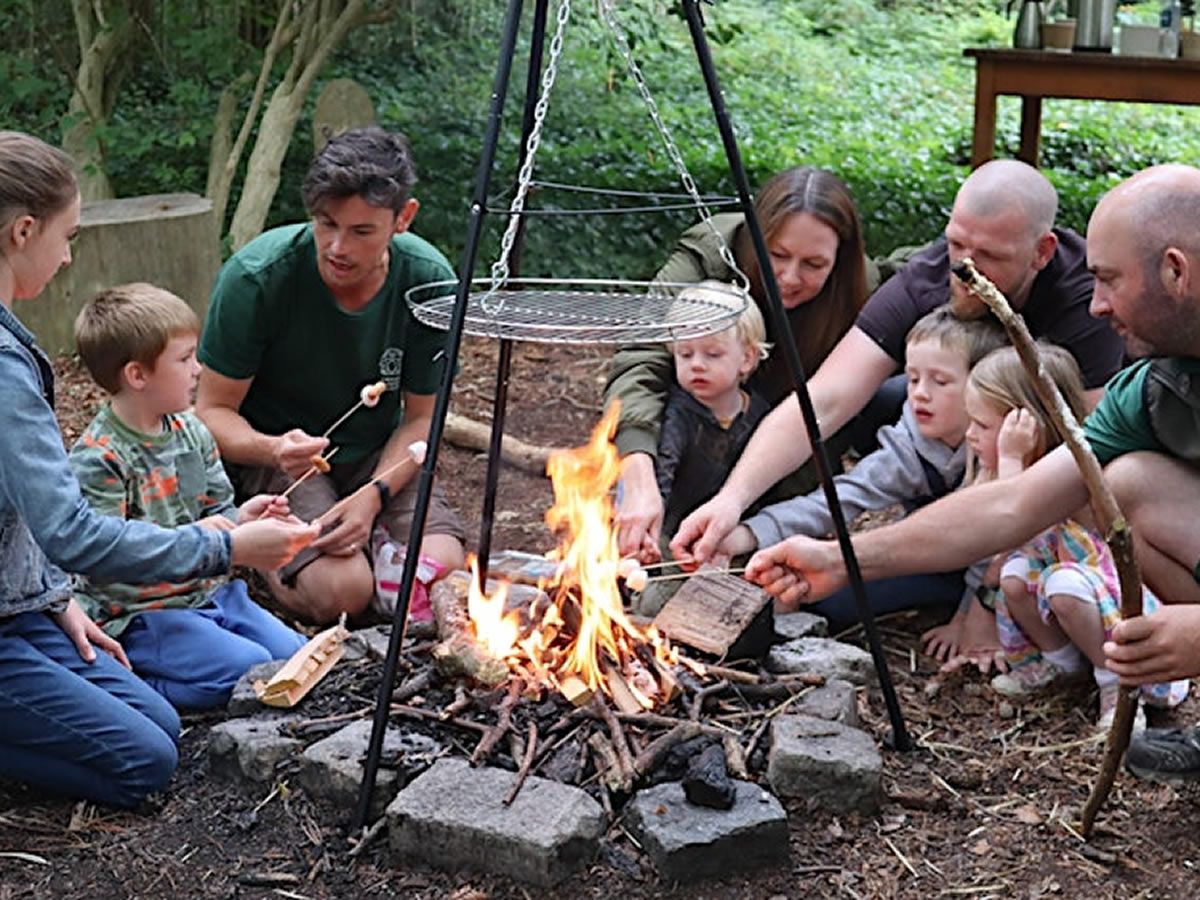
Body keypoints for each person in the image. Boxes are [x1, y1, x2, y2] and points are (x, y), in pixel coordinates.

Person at [741, 164, 1200, 785]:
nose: (1096, 305)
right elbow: (1014, 506)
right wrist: (840, 558)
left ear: (1176, 271)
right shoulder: (1151, 389)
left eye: (1110, 281)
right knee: (1127, 483)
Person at [0, 131, 315, 808]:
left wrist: (52, 602)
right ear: (23, 230)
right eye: (67, 235)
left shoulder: (15, 349)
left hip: (22, 611)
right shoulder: (4, 371)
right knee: (144, 762)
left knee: (164, 725)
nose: (66, 256)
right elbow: (75, 532)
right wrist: (226, 545)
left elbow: (27, 517)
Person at [673, 159, 1126, 569]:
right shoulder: (929, 277)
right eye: (956, 244)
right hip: (949, 456)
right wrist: (732, 502)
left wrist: (987, 597)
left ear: (1042, 252)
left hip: (1033, 476)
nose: (965, 268)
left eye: (989, 257)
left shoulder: (1086, 302)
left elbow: (1084, 460)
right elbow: (825, 400)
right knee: (880, 403)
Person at [197, 127, 466, 625]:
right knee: (344, 593)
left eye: (362, 231)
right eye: (326, 224)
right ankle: (275, 564)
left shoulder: (428, 282)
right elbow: (211, 412)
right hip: (281, 456)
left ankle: (374, 543)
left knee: (443, 570)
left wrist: (373, 496)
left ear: (402, 219)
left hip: (376, 457)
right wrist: (273, 449)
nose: (338, 247)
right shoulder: (258, 277)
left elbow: (421, 419)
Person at [604, 166, 872, 563]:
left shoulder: (856, 289)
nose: (790, 277)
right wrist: (639, 472)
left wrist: (766, 521)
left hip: (783, 466)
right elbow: (642, 362)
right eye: (776, 256)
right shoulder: (708, 256)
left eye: (814, 265)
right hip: (688, 444)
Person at [69, 284, 308, 709]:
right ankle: (137, 687)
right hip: (142, 614)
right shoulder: (99, 457)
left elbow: (217, 511)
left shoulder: (192, 431)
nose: (198, 369)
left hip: (208, 595)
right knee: (249, 672)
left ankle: (207, 652)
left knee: (293, 656)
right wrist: (206, 536)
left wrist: (244, 519)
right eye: (184, 359)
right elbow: (104, 558)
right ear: (138, 375)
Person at [715, 307, 1006, 637]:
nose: (920, 393)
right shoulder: (909, 447)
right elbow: (840, 498)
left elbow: (998, 539)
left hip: (1003, 569)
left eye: (940, 381)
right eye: (912, 378)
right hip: (937, 554)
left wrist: (967, 621)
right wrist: (747, 534)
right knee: (828, 600)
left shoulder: (1002, 445)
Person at [964, 345, 1187, 729]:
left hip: (1109, 601)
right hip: (1068, 600)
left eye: (981, 425)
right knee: (1015, 576)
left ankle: (1115, 682)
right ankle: (1062, 665)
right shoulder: (999, 470)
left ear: (1026, 426)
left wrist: (1013, 462)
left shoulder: (1072, 475)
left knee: (1060, 583)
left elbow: (1017, 528)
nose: (969, 435)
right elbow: (998, 551)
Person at [635, 283, 772, 614]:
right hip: (675, 533)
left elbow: (770, 483)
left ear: (747, 358)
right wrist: (650, 536)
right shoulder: (677, 415)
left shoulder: (761, 414)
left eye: (712, 354)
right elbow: (661, 473)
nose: (697, 364)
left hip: (733, 532)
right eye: (685, 354)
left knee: (759, 590)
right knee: (656, 602)